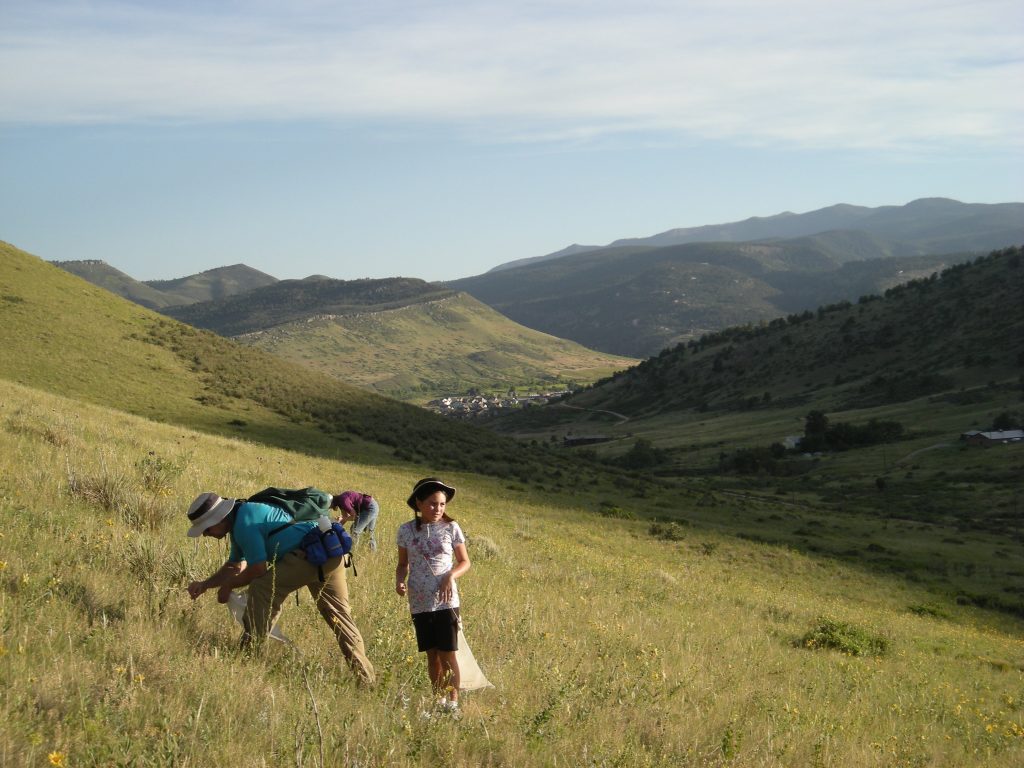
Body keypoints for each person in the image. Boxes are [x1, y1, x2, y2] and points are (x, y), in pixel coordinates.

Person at [184, 490, 375, 685]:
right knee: (340, 616)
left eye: (207, 529)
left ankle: (248, 654)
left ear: (219, 519)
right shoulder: (243, 516)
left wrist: (229, 585)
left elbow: (258, 570)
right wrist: (205, 585)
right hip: (330, 548)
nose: (207, 535)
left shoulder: (243, 524)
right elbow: (235, 566)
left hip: (307, 556)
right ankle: (366, 679)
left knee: (262, 589)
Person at [395, 477, 471, 713]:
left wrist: (450, 575)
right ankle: (438, 701)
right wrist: (399, 580)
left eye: (441, 504)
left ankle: (453, 704)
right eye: (432, 503)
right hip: (419, 602)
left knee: (449, 654)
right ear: (418, 503)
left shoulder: (451, 528)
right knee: (432, 655)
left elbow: (465, 562)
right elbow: (402, 564)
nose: (437, 509)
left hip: (446, 601)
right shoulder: (406, 531)